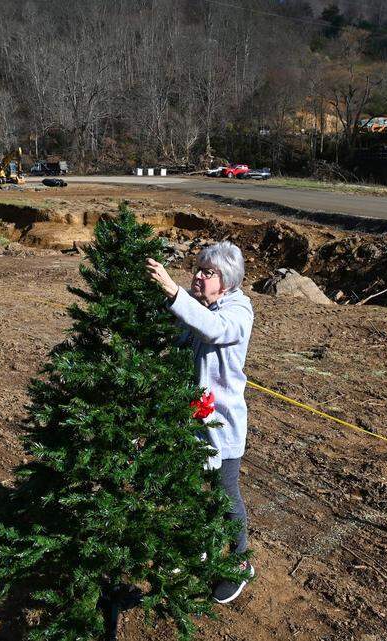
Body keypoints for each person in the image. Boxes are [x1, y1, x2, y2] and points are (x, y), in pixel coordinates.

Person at [145, 241, 254, 604]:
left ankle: (240, 561)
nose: (198, 276)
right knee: (190, 488)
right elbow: (184, 336)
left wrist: (174, 292)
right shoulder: (202, 306)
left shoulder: (237, 311)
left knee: (225, 494)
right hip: (190, 420)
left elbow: (214, 329)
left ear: (227, 281)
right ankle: (197, 547)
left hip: (222, 426)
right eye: (197, 269)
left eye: (208, 272)